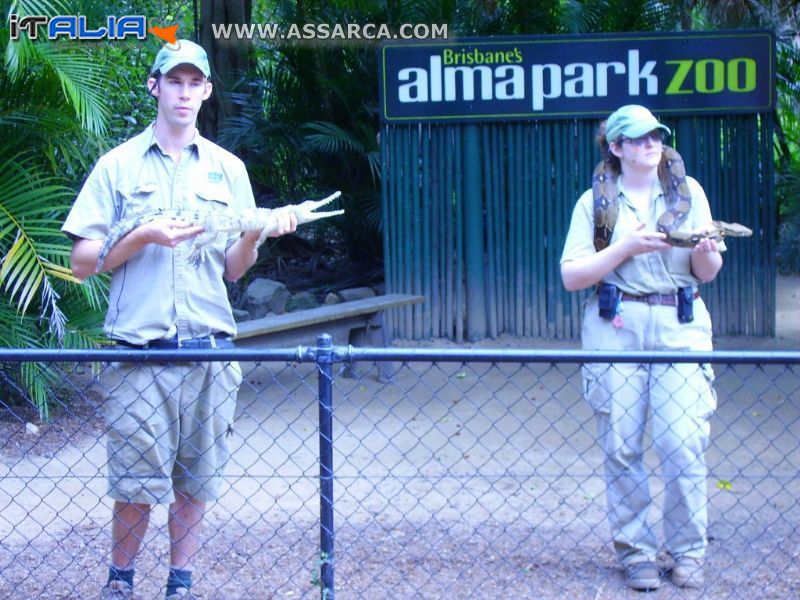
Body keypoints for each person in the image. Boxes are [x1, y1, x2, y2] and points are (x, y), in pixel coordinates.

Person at [63, 40, 297, 600]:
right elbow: (81, 263)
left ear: (208, 91)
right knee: (137, 484)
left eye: (196, 83)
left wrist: (257, 230)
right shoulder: (116, 166)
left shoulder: (229, 170)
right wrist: (143, 235)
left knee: (196, 483)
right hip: (141, 354)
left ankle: (180, 583)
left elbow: (235, 271)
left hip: (211, 351)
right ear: (155, 87)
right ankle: (120, 584)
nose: (185, 93)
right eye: (175, 82)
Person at [560, 105, 723, 591]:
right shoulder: (594, 203)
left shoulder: (688, 192)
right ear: (615, 147)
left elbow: (707, 274)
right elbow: (572, 276)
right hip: (617, 322)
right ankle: (636, 552)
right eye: (637, 138)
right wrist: (623, 248)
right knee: (622, 444)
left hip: (680, 320)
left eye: (656, 136)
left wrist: (706, 254)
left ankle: (688, 551)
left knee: (681, 441)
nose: (651, 144)